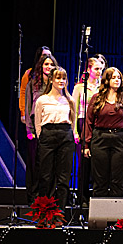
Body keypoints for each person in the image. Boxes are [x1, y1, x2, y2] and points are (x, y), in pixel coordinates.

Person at [82, 67, 123, 198]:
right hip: (100, 139)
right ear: (106, 80)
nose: (117, 80)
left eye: (119, 77)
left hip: (121, 139)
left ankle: (117, 216)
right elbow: (89, 121)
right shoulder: (97, 98)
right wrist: (86, 144)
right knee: (100, 180)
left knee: (118, 180)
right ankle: (99, 216)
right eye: (113, 77)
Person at [32, 66, 79, 207]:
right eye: (58, 78)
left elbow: (73, 121)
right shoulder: (42, 100)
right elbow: (38, 123)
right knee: (46, 176)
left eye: (64, 78)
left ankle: (60, 211)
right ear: (51, 79)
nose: (61, 81)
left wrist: (70, 135)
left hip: (65, 135)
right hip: (48, 135)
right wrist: (42, 137)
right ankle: (44, 211)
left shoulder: (70, 100)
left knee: (64, 177)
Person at [23, 49, 57, 203]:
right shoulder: (33, 83)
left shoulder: (56, 85)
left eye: (51, 64)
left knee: (48, 165)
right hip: (35, 130)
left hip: (51, 130)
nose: (48, 67)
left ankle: (47, 197)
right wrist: (30, 130)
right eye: (46, 64)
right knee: (34, 164)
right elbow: (29, 106)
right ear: (41, 66)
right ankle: (32, 196)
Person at [73, 54, 106, 208]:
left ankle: (96, 197)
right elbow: (73, 110)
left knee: (98, 162)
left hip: (98, 124)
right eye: (97, 69)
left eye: (101, 69)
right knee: (84, 162)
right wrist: (74, 131)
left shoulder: (102, 88)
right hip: (82, 122)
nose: (99, 71)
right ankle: (82, 196)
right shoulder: (80, 87)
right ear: (89, 70)